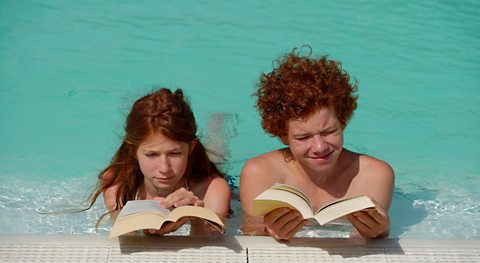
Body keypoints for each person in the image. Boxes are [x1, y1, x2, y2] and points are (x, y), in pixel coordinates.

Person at [240, 47, 394, 240]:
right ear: (282, 136)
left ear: (343, 122)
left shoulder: (375, 175)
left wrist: (381, 232)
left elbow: (364, 245)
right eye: (303, 138)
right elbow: (249, 235)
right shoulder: (260, 172)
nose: (320, 147)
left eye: (329, 132)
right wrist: (266, 231)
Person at [87, 88, 231, 235]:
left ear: (191, 147)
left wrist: (197, 218)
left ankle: (216, 128)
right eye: (151, 154)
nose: (164, 168)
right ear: (132, 150)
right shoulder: (117, 184)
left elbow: (211, 245)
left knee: (216, 155)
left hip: (197, 172)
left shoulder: (212, 188)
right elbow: (126, 240)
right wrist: (150, 231)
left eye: (175, 153)